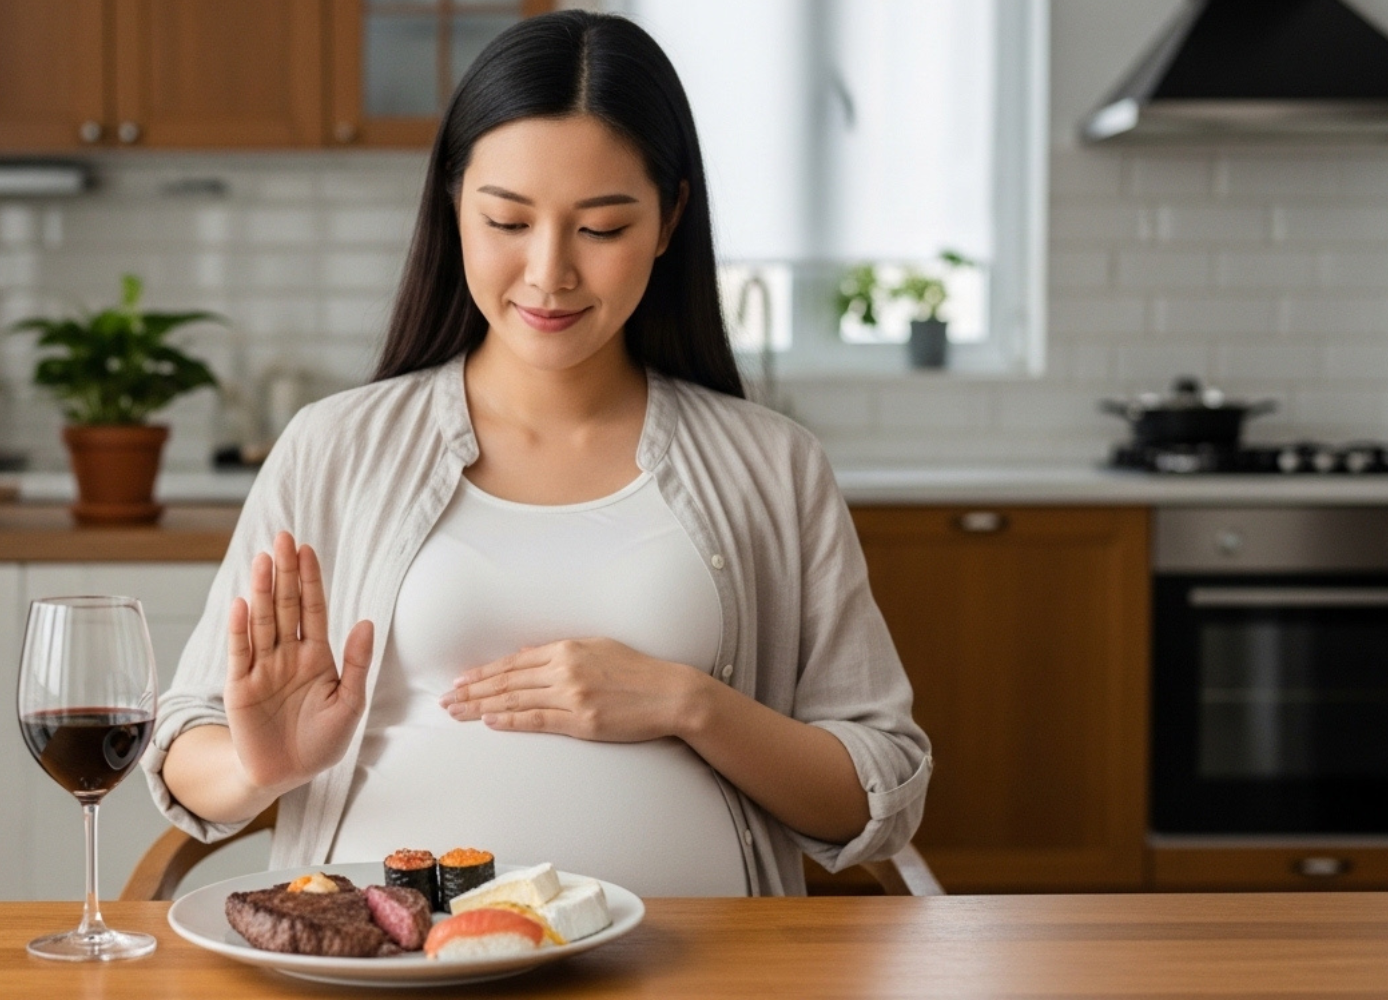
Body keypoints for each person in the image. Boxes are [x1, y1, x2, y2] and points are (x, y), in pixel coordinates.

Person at [142, 9, 930, 897]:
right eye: (508, 222)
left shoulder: (773, 465)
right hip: (395, 972)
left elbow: (881, 788)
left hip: (708, 971)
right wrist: (261, 768)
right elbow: (185, 746)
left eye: (600, 229)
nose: (550, 273)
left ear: (669, 219)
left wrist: (690, 705)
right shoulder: (336, 447)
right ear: (454, 206)